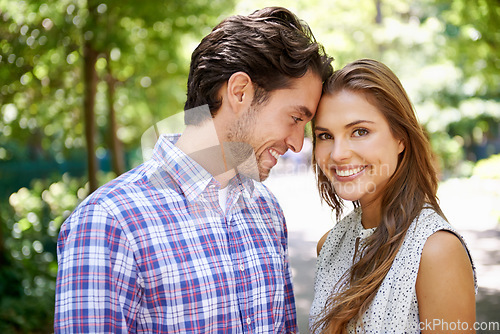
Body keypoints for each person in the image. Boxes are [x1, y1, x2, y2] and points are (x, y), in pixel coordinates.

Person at [54, 6, 333, 333]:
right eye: (296, 118)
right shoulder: (108, 223)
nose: (298, 144)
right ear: (240, 92)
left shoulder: (267, 211)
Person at [309, 59, 476, 333]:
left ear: (401, 138)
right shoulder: (329, 245)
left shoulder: (435, 251)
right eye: (325, 135)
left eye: (359, 131)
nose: (338, 153)